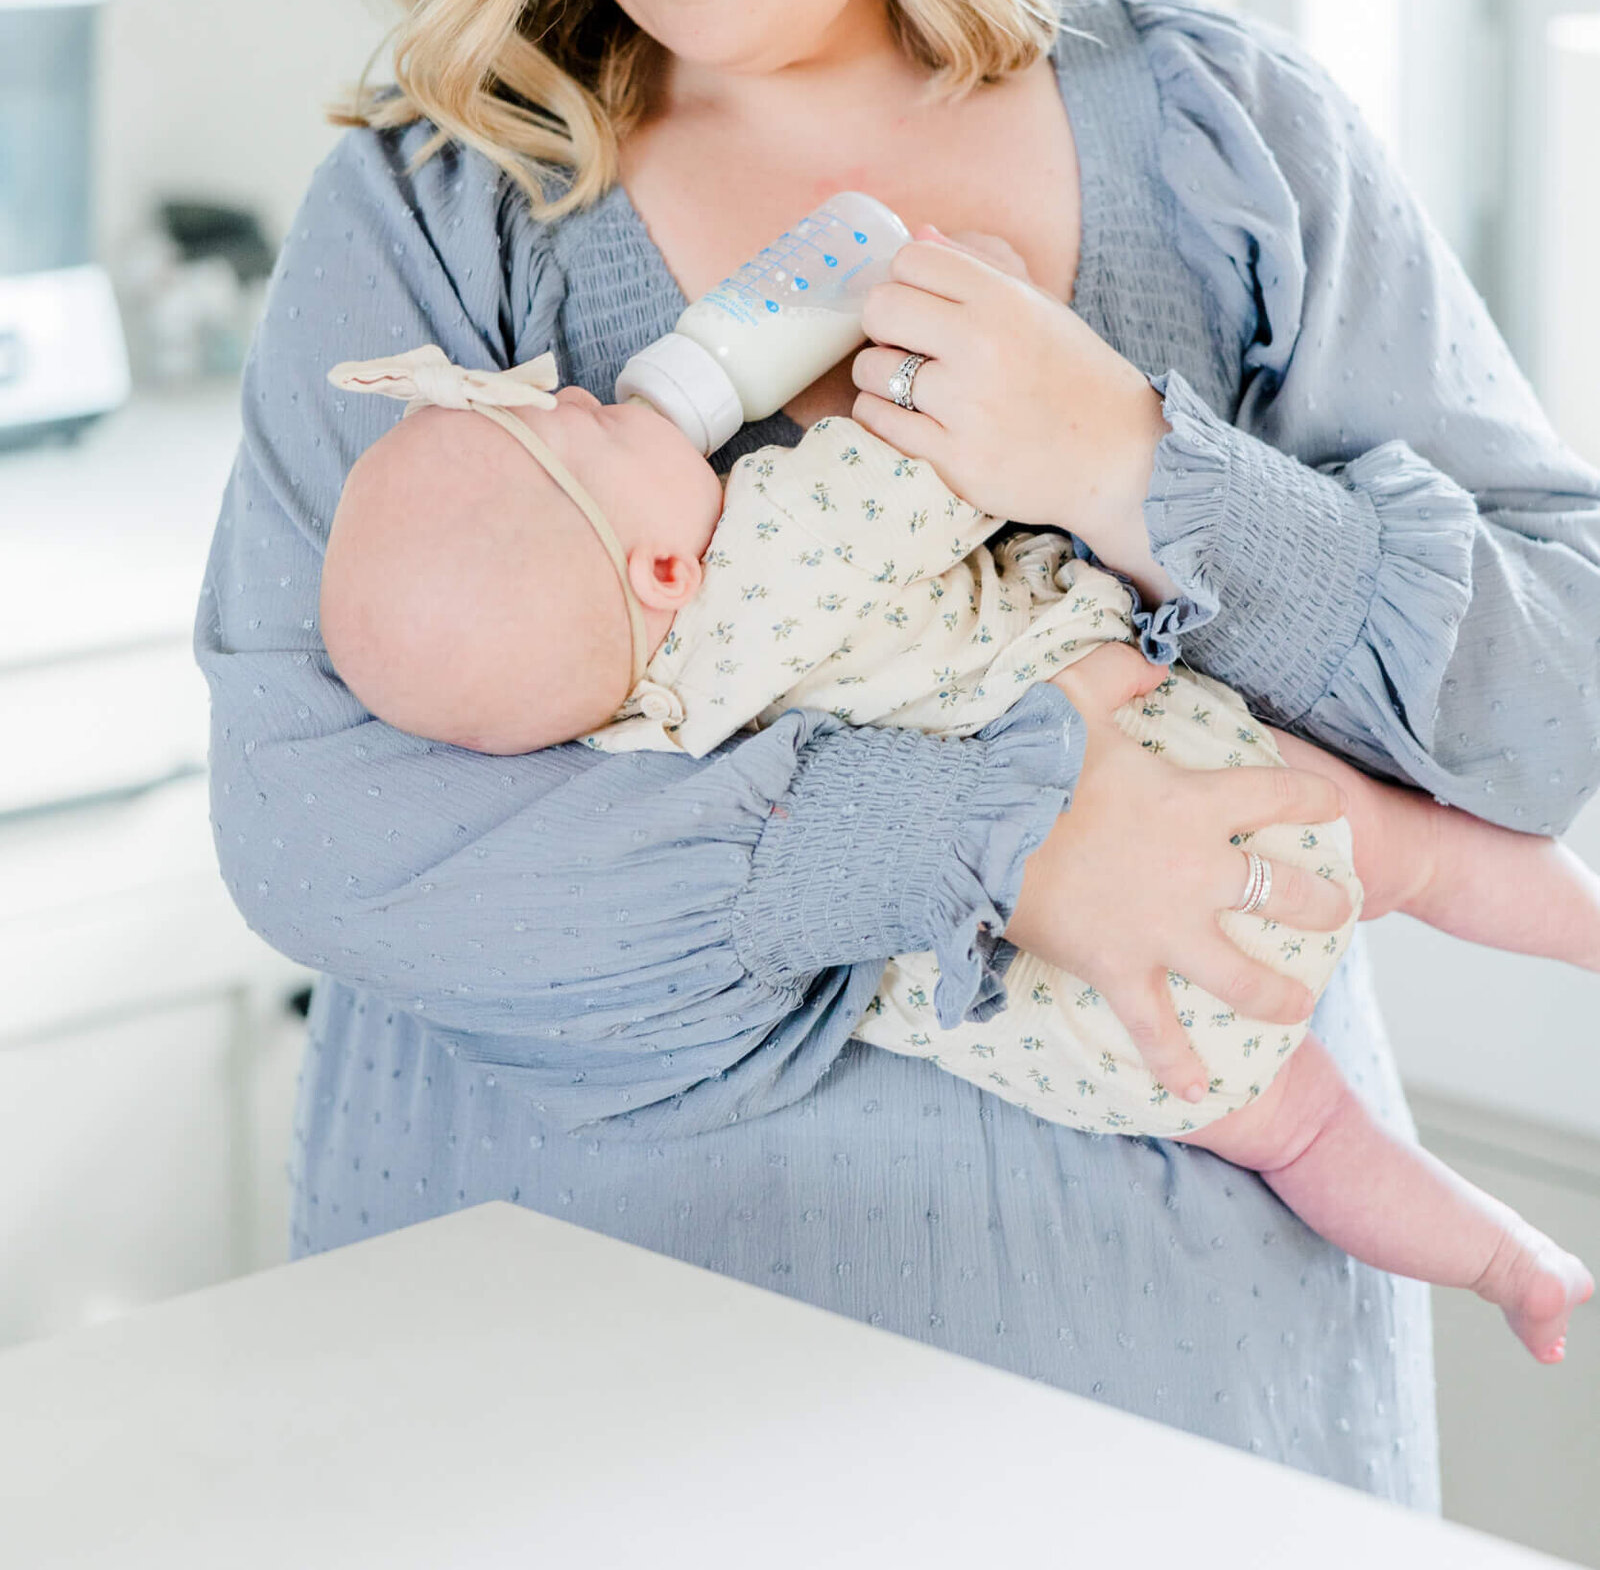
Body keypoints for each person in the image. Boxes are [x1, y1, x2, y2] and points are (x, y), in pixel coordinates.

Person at [196, 0, 1600, 1505]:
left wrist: (1139, 465)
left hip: (1168, 1398)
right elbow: (325, 840)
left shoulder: (1232, 143)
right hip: (564, 1391)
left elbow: (1540, 705)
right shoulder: (447, 210)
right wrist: (987, 831)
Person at [311, 341, 1598, 1361]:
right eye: (585, 427)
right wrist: (876, 371)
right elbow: (937, 467)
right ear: (658, 563)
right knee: (1418, 859)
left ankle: (1505, 1265)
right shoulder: (764, 543)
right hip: (1186, 788)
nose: (589, 393)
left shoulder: (635, 744)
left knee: (1307, 1138)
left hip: (1079, 1022)